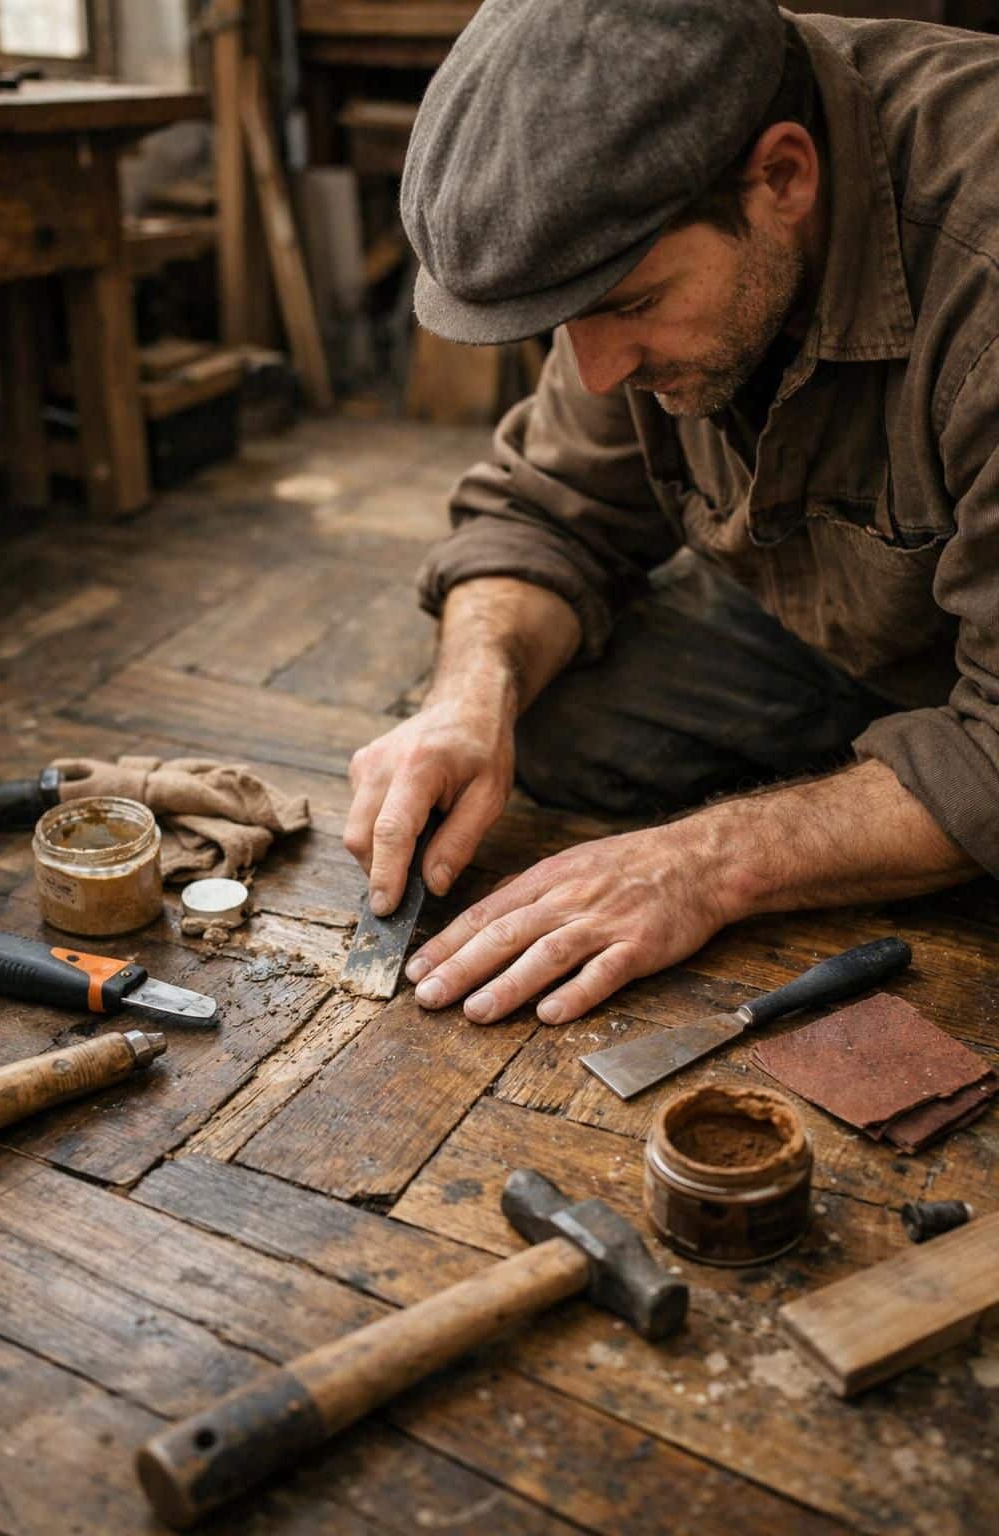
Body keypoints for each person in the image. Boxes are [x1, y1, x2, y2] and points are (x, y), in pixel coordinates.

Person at [344, 0, 999, 1029]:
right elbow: (545, 510)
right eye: (570, 320)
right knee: (529, 724)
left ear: (782, 177)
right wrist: (470, 691)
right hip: (833, 629)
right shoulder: (637, 223)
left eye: (632, 306)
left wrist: (705, 863)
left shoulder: (982, 265)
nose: (597, 372)